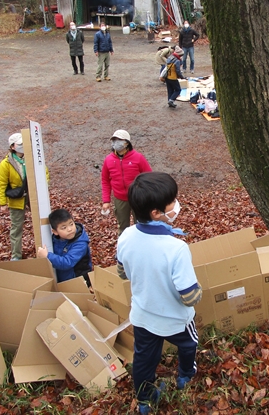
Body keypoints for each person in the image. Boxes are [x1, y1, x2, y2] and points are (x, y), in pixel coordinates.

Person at [116, 172, 201, 415]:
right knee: (189, 344)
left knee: (144, 359)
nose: (177, 205)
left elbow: (122, 272)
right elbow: (189, 296)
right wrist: (198, 292)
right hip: (175, 318)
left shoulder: (126, 236)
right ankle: (185, 375)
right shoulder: (176, 249)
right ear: (156, 213)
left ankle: (145, 399)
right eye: (172, 202)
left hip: (143, 316)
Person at [102, 130, 152, 235]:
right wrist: (106, 200)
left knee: (141, 225)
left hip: (137, 198)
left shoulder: (138, 157)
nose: (116, 142)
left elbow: (149, 177)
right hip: (120, 199)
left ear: (127, 142)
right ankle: (124, 247)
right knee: (123, 227)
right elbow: (105, 180)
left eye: (119, 140)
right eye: (114, 140)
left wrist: (148, 197)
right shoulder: (108, 160)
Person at [36, 208, 92, 285]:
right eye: (64, 227)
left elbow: (67, 262)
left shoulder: (80, 243)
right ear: (55, 232)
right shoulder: (54, 240)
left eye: (71, 224)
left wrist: (47, 256)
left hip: (79, 282)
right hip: (62, 281)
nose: (69, 229)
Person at [0, 133, 28, 261]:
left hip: (32, 197)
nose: (23, 146)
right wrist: (2, 203)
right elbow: (1, 183)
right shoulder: (5, 164)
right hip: (17, 199)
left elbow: (44, 171)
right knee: (17, 227)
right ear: (12, 147)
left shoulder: (30, 158)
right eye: (20, 144)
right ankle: (16, 255)